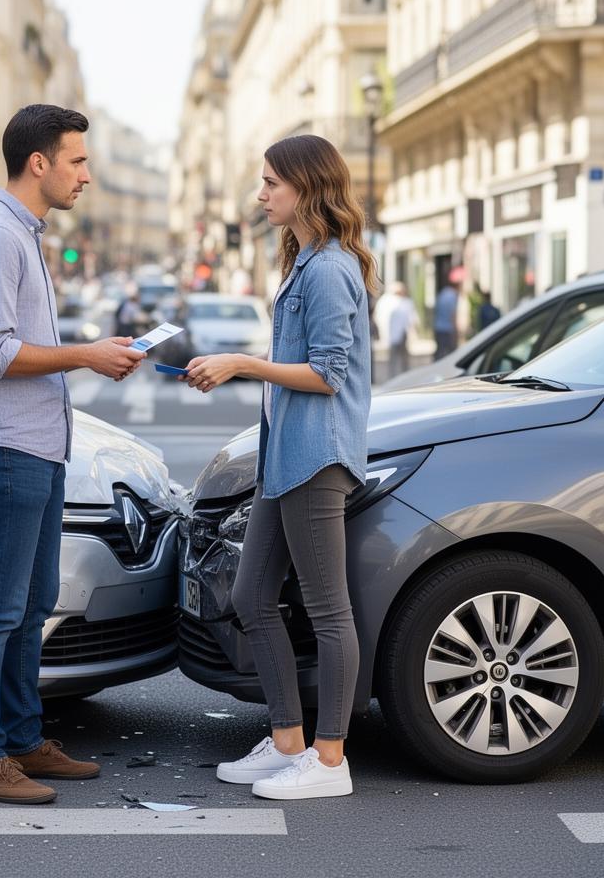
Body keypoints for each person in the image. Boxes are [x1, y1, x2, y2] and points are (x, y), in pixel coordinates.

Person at [0, 105, 146, 805]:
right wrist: (87, 355)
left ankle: (23, 740)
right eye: (78, 161)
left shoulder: (24, 235)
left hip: (36, 447)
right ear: (40, 163)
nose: (87, 175)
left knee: (30, 605)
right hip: (6, 447)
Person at [182, 134, 376, 800]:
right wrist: (238, 371)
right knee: (251, 597)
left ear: (306, 187)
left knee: (327, 612)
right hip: (285, 453)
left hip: (316, 456)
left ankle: (328, 763)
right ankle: (288, 740)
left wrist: (241, 364)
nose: (260, 195)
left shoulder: (328, 268)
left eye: (270, 183)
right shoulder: (306, 260)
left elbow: (328, 374)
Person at [386, 281, 419, 378]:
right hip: (397, 333)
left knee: (399, 356)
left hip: (399, 333)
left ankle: (398, 375)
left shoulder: (404, 303)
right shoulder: (402, 303)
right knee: (399, 356)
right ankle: (400, 375)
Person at [433, 269, 462, 359]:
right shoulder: (453, 296)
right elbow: (452, 314)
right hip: (448, 329)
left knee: (440, 353)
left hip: (438, 327)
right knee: (451, 355)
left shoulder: (442, 293)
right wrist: (456, 331)